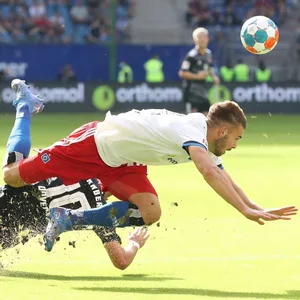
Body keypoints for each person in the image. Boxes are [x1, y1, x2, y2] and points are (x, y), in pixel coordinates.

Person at [2, 79, 297, 252]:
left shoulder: (204, 142)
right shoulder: (192, 129)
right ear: (222, 131)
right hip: (97, 144)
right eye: (236, 138)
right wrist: (244, 211)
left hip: (125, 163)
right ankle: (25, 107)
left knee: (150, 211)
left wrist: (254, 205)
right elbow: (208, 172)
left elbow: (221, 173)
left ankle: (66, 219)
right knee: (12, 176)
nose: (234, 145)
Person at [0, 177, 149, 270]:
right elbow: (121, 261)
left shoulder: (76, 163)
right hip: (10, 230)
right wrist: (134, 244)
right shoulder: (101, 213)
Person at [179, 27, 220, 114]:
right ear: (195, 40)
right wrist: (197, 76)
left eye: (204, 36)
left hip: (202, 91)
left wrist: (214, 77)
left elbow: (208, 67)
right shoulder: (191, 56)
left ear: (208, 39)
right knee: (193, 121)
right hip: (191, 93)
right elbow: (182, 73)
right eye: (199, 37)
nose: (202, 39)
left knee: (206, 117)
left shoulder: (208, 54)